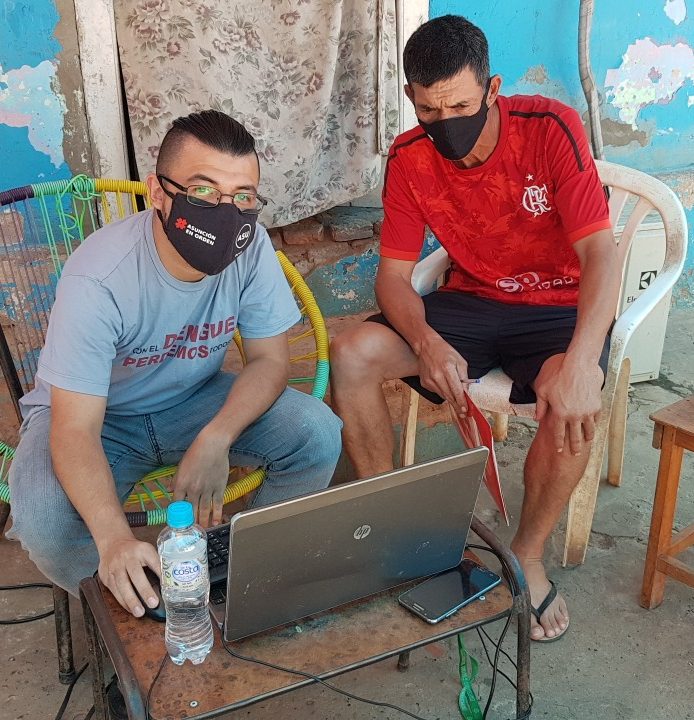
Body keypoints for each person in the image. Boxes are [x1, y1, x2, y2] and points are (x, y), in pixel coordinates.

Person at [330, 15, 619, 642]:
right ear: (411, 98)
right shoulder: (409, 157)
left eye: (461, 105)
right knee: (351, 352)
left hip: (559, 304)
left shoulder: (549, 126)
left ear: (492, 89)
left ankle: (528, 555)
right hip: (472, 299)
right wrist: (427, 342)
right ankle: (391, 530)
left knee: (569, 400)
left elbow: (600, 251)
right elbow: (393, 278)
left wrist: (582, 362)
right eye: (430, 110)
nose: (447, 123)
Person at [8, 110, 342, 617]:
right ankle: (138, 610)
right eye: (203, 191)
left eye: (243, 196)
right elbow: (75, 429)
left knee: (316, 434)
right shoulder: (99, 279)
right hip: (98, 418)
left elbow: (270, 360)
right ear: (158, 194)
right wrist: (115, 539)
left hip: (194, 401)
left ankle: (239, 575)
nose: (227, 214)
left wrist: (217, 436)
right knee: (46, 524)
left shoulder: (249, 250)